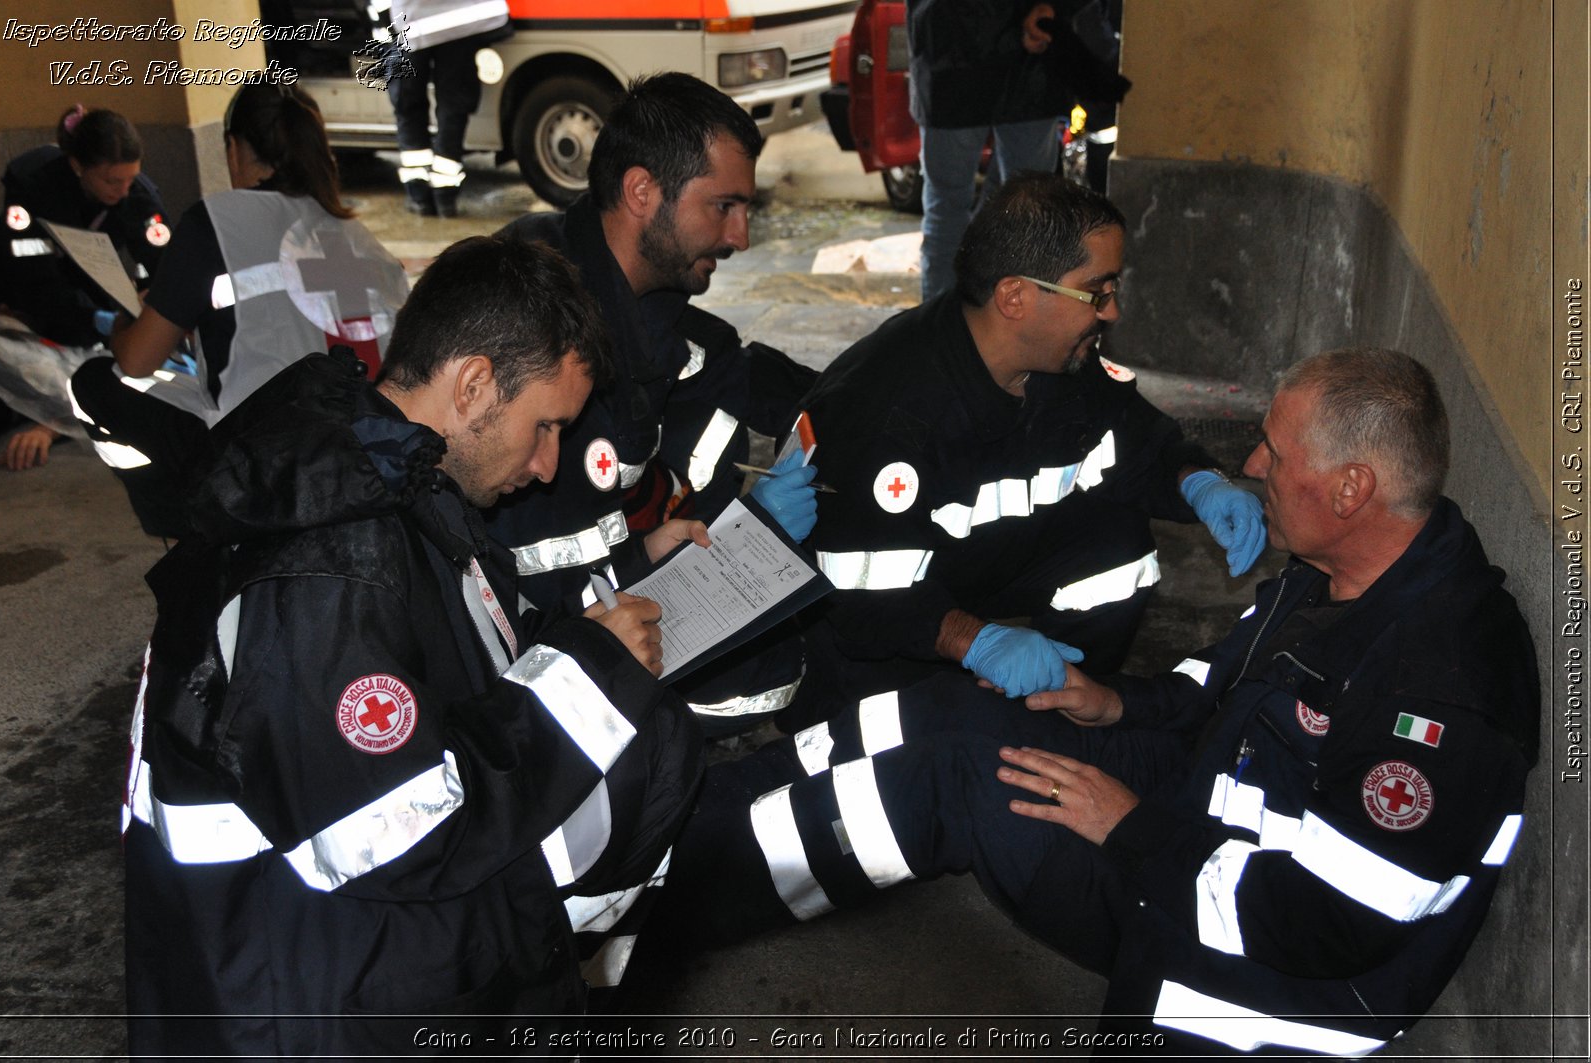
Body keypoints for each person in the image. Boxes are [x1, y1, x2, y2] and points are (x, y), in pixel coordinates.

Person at [650, 347, 1539, 1055]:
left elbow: (1327, 926)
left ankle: (657, 903)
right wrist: (1111, 704)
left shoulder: (1441, 695)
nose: (1254, 462)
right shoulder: (1335, 576)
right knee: (955, 709)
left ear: (1352, 490)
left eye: (1278, 449)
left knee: (955, 783)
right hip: (1198, 820)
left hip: (1259, 956)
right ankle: (663, 843)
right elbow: (1213, 694)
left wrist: (1128, 826)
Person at [123, 235, 705, 1057]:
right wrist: (589, 677)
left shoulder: (397, 477)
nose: (547, 466)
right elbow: (388, 830)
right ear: (472, 385)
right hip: (306, 1011)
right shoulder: (330, 556)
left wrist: (588, 631)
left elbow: (463, 658)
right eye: (545, 426)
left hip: (350, 968)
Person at [783, 172, 1264, 728]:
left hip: (978, 567)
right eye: (1097, 291)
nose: (1112, 311)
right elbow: (857, 589)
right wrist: (971, 640)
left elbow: (1131, 431)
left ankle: (1070, 708)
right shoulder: (886, 408)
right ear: (1015, 296)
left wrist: (1196, 480)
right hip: (879, 621)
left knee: (1115, 537)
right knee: (901, 745)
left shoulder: (1059, 359)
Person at [491, 73, 819, 728]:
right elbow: (534, 580)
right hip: (533, 669)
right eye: (723, 206)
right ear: (643, 191)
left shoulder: (671, 325)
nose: (741, 236)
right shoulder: (529, 324)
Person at [69, 82, 408, 538]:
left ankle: (195, 528)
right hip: (371, 448)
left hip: (262, 456)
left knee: (92, 381)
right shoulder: (356, 233)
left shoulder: (217, 221)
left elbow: (137, 359)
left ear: (234, 147)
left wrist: (125, 323)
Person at [0, 105, 169, 471]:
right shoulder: (32, 188)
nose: (122, 191)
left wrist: (155, 312)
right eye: (110, 181)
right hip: (22, 302)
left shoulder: (138, 197)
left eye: (129, 179)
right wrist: (99, 321)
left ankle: (50, 418)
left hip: (91, 302)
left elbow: (162, 266)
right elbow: (34, 282)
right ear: (77, 166)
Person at [908, 0, 1076, 301]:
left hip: (956, 61)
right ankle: (1000, 326)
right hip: (995, 63)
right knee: (1024, 211)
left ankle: (946, 332)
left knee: (961, 209)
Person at [382, 0, 510, 216]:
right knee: (454, 105)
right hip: (461, 19)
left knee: (408, 103)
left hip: (407, 20)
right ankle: (445, 196)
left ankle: (419, 195)